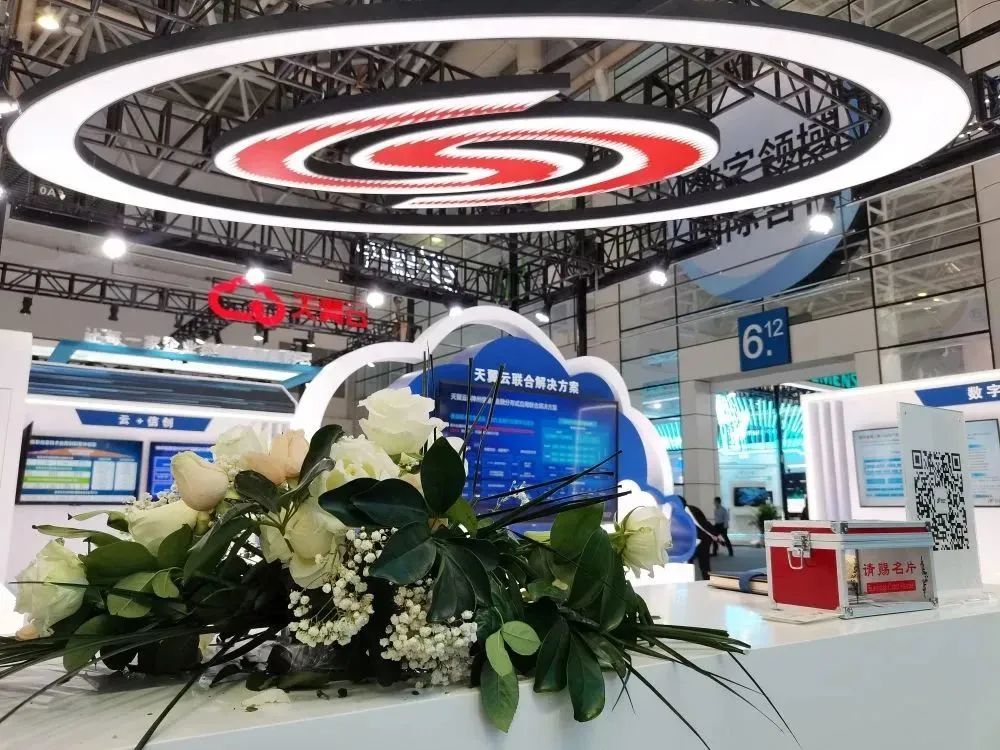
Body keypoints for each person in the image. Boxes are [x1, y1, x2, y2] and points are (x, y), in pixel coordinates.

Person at [679, 496, 718, 580]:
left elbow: (702, 524)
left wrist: (714, 535)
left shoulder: (691, 510)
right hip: (695, 540)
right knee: (690, 561)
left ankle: (707, 580)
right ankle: (690, 580)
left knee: (703, 563)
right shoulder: (682, 512)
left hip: (703, 539)